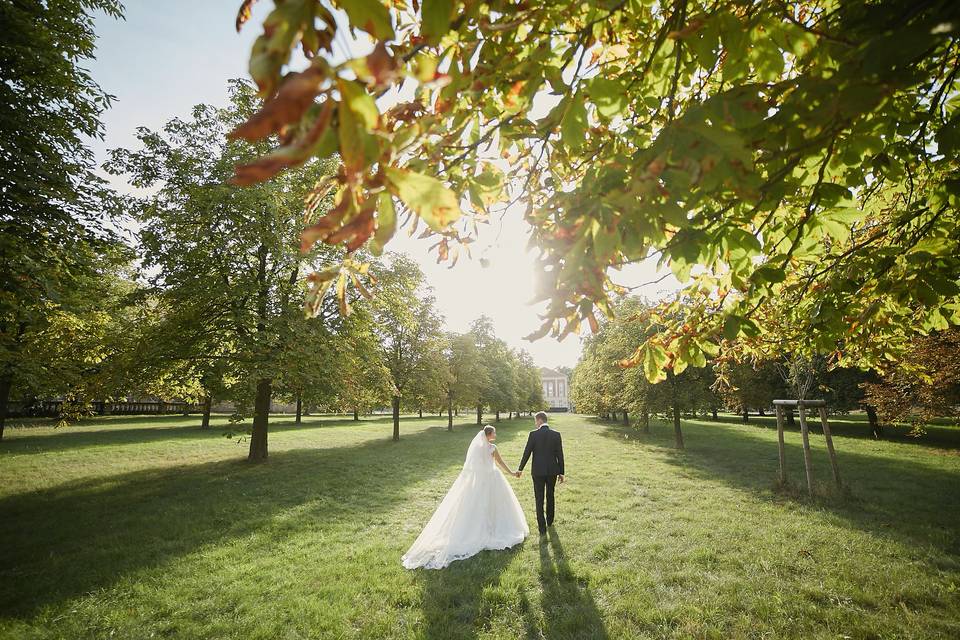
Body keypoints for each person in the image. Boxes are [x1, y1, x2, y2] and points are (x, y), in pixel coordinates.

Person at [401, 425, 528, 569]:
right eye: (494, 433)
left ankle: (481, 527)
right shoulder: (492, 448)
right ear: (489, 434)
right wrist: (512, 473)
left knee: (478, 505)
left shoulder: (476, 448)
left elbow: (471, 467)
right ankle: (491, 528)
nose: (496, 435)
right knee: (495, 504)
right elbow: (500, 463)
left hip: (479, 481)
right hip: (492, 478)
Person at [517, 411, 564, 535]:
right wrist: (562, 472)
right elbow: (560, 455)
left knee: (539, 498)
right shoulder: (556, 435)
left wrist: (520, 469)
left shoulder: (533, 435)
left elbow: (526, 453)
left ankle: (542, 527)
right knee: (550, 495)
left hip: (537, 471)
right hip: (553, 471)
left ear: (539, 420)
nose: (535, 423)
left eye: (535, 421)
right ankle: (550, 521)